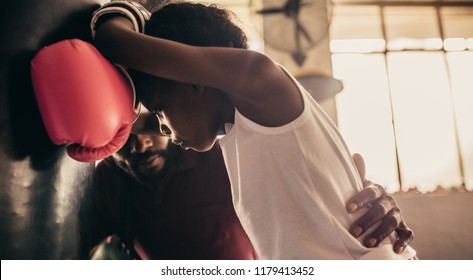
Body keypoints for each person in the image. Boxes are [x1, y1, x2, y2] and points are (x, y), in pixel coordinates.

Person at [92, 1, 416, 259]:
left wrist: (126, 11)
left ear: (192, 79)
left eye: (160, 110)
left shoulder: (260, 79)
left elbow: (115, 42)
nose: (161, 128)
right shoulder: (241, 127)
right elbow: (145, 117)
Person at [86, 112, 413, 260]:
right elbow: (81, 250)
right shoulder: (109, 181)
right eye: (122, 136)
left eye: (146, 128)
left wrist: (367, 197)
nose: (140, 145)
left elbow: (309, 184)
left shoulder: (218, 155)